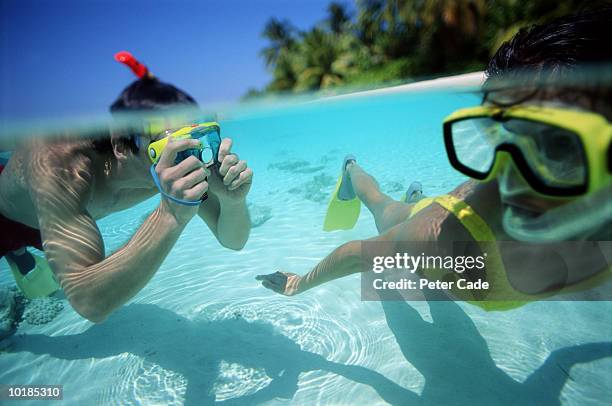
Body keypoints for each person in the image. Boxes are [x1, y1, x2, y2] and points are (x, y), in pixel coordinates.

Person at [257, 8, 612, 310]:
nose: (512, 178)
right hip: (432, 225)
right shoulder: (440, 238)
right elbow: (356, 253)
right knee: (384, 208)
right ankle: (352, 170)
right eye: (497, 135)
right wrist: (297, 284)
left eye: (559, 144)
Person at [0, 51, 253, 322]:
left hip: (63, 221)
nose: (187, 157)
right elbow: (88, 302)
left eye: (199, 137)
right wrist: (170, 215)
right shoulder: (62, 166)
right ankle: (16, 252)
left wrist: (232, 202)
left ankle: (20, 254)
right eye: (172, 145)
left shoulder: (159, 157)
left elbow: (233, 241)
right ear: (121, 145)